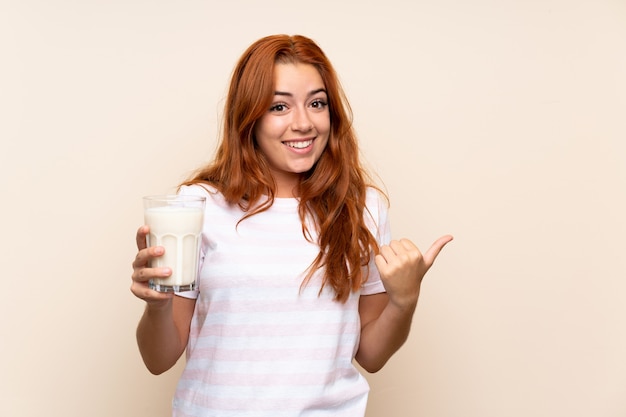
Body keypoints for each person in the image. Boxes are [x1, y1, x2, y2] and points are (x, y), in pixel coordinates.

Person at [131, 34, 453, 416]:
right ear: (249, 116)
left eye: (317, 103)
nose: (303, 123)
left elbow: (371, 354)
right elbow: (158, 359)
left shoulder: (362, 208)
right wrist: (157, 305)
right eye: (279, 107)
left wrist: (404, 300)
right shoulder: (200, 204)